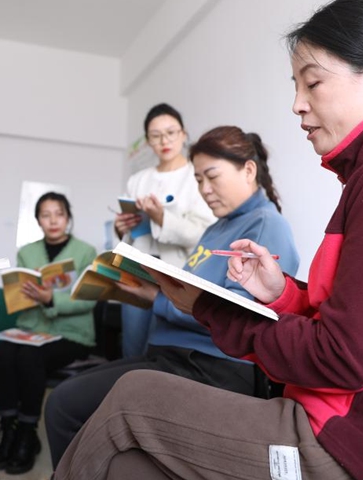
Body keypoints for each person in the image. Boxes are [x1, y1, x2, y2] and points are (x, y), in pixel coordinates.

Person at [54, 1, 363, 479]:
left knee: (132, 397)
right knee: (126, 465)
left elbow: (345, 357)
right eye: (296, 87)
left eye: (312, 83)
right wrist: (285, 294)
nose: (297, 104)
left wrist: (210, 309)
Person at [45, 125, 299, 468]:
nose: (204, 190)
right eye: (198, 180)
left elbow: (241, 315)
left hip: (209, 364)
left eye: (212, 176)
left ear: (248, 170)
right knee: (68, 398)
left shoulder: (266, 226)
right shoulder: (216, 228)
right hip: (172, 355)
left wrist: (157, 298)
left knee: (64, 404)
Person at [0, 192, 98, 475]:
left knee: (29, 356)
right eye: (45, 215)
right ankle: (9, 430)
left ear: (68, 217)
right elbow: (20, 296)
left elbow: (89, 299)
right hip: (30, 328)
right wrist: (24, 293)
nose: (53, 220)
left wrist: (50, 298)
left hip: (71, 334)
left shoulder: (86, 252)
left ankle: (27, 433)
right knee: (2, 353)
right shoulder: (28, 251)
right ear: (37, 220)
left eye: (58, 214)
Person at [114, 103, 216, 357]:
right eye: (156, 136)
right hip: (138, 271)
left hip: (177, 274)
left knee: (162, 347)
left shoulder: (197, 176)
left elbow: (203, 234)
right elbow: (131, 234)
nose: (164, 141)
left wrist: (161, 217)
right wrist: (120, 229)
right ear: (148, 141)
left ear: (183, 134)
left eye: (171, 132)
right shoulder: (137, 180)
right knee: (132, 346)